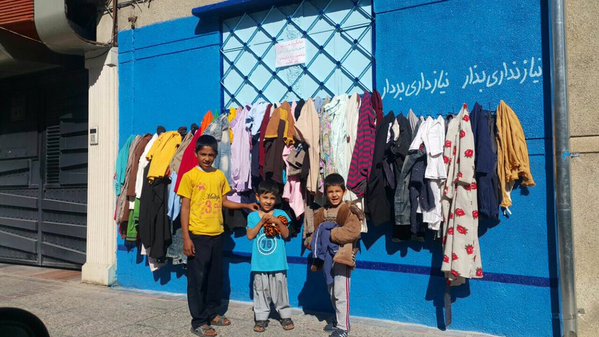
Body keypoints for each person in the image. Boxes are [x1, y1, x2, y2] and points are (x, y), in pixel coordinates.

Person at [178, 135, 258, 337]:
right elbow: (185, 208)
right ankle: (198, 321)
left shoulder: (219, 176)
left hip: (217, 235)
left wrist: (244, 205)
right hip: (198, 236)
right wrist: (186, 238)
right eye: (203, 154)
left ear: (215, 155)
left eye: (210, 155)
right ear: (196, 154)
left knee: (215, 278)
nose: (206, 158)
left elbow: (224, 201)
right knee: (198, 281)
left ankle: (213, 314)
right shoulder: (190, 177)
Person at [308, 173, 362, 337]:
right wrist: (311, 241)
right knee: (331, 290)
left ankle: (343, 328)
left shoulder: (347, 210)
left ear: (344, 192)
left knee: (341, 292)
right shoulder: (322, 212)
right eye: (331, 191)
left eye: (337, 191)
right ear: (326, 193)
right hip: (326, 258)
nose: (334, 195)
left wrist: (332, 234)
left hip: (342, 256)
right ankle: (338, 320)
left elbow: (354, 231)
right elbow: (315, 232)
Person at [246, 180, 295, 333]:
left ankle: (285, 315)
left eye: (272, 198)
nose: (268, 201)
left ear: (277, 199)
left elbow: (286, 234)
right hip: (260, 264)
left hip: (278, 262)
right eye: (265, 197)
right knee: (261, 290)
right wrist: (262, 222)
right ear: (258, 197)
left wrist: (276, 222)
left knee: (280, 290)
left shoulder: (281, 214)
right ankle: (261, 317)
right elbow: (250, 235)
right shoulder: (253, 216)